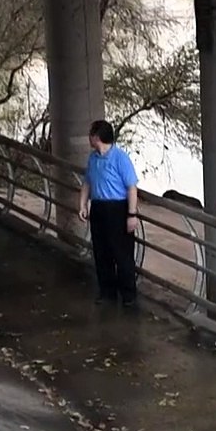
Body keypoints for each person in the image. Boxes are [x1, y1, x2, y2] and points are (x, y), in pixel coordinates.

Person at [77, 120, 141, 308]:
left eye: (91, 134)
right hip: (98, 207)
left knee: (122, 254)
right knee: (101, 252)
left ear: (97, 137)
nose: (89, 137)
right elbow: (87, 183)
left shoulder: (120, 157)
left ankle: (128, 294)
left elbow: (131, 187)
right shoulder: (93, 158)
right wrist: (83, 205)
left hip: (118, 208)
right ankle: (107, 292)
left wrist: (132, 214)